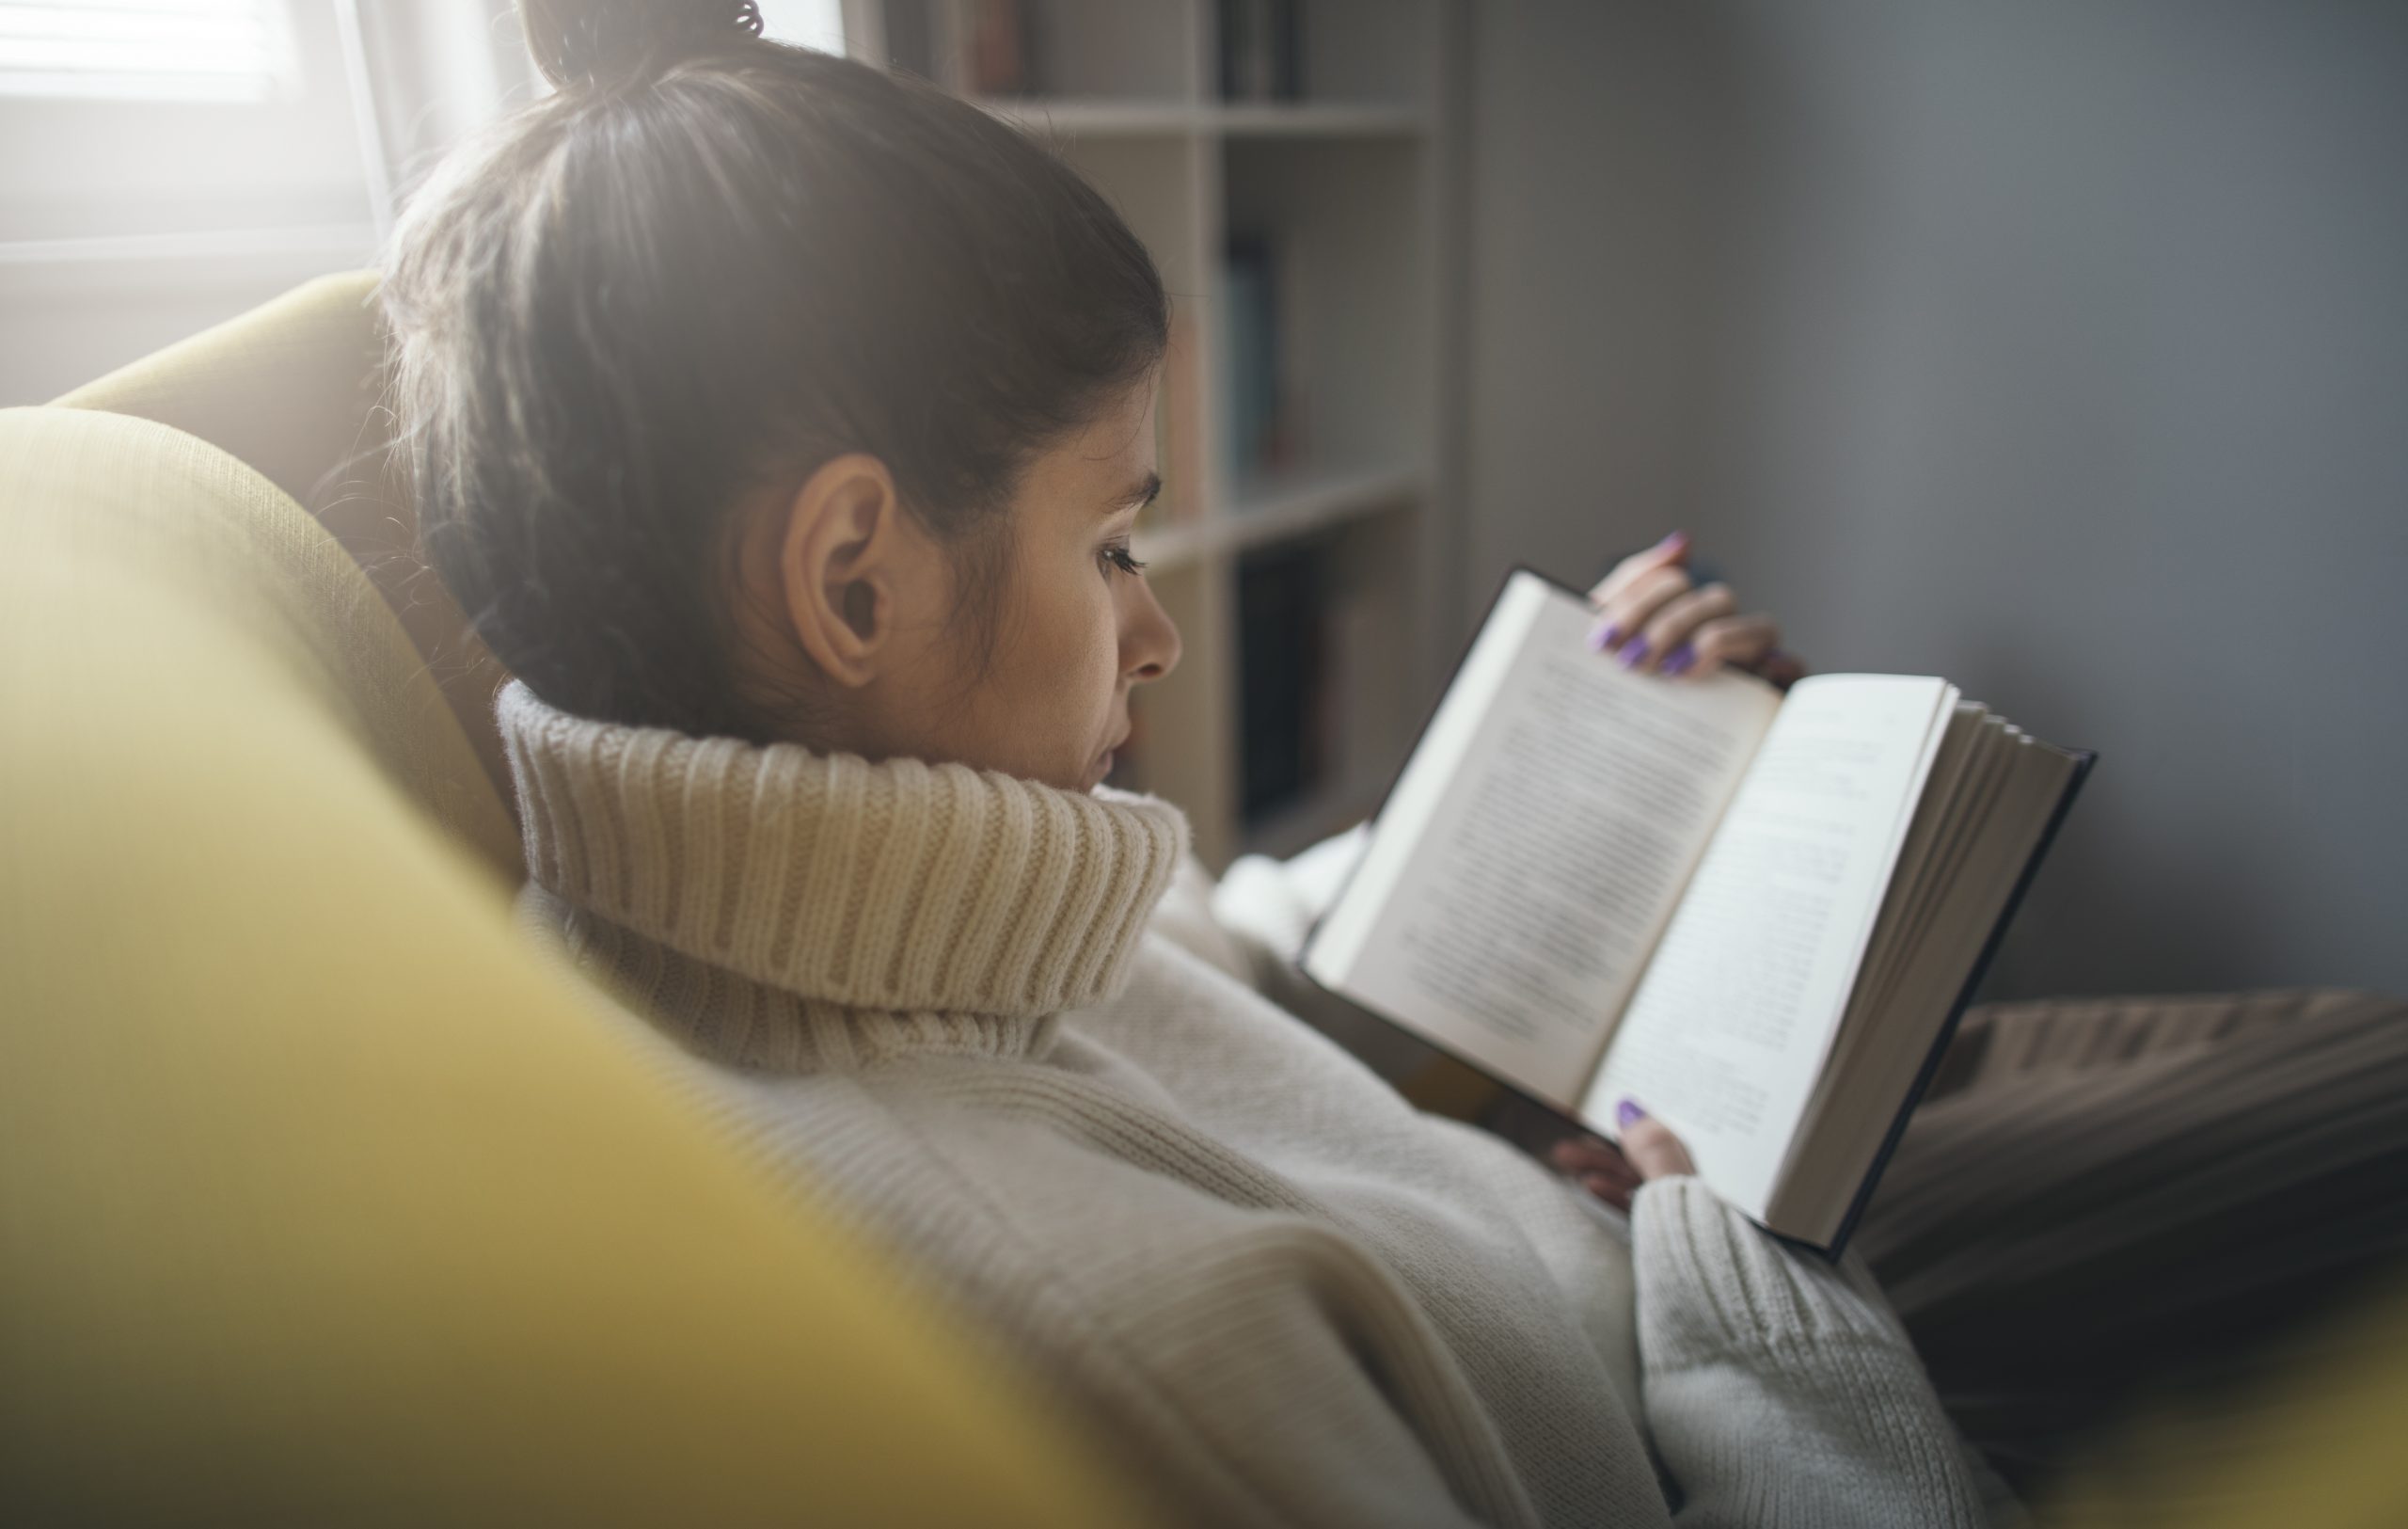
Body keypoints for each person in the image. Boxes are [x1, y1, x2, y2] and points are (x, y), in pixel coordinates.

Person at [383, 3, 2405, 1522]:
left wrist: (1587, 769)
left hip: (1614, 1202)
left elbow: (1178, 964)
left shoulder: (845, 889)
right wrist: (1770, 1340)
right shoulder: (1131, 1351)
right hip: (1761, 1333)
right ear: (849, 577)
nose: (1155, 630)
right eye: (1108, 545)